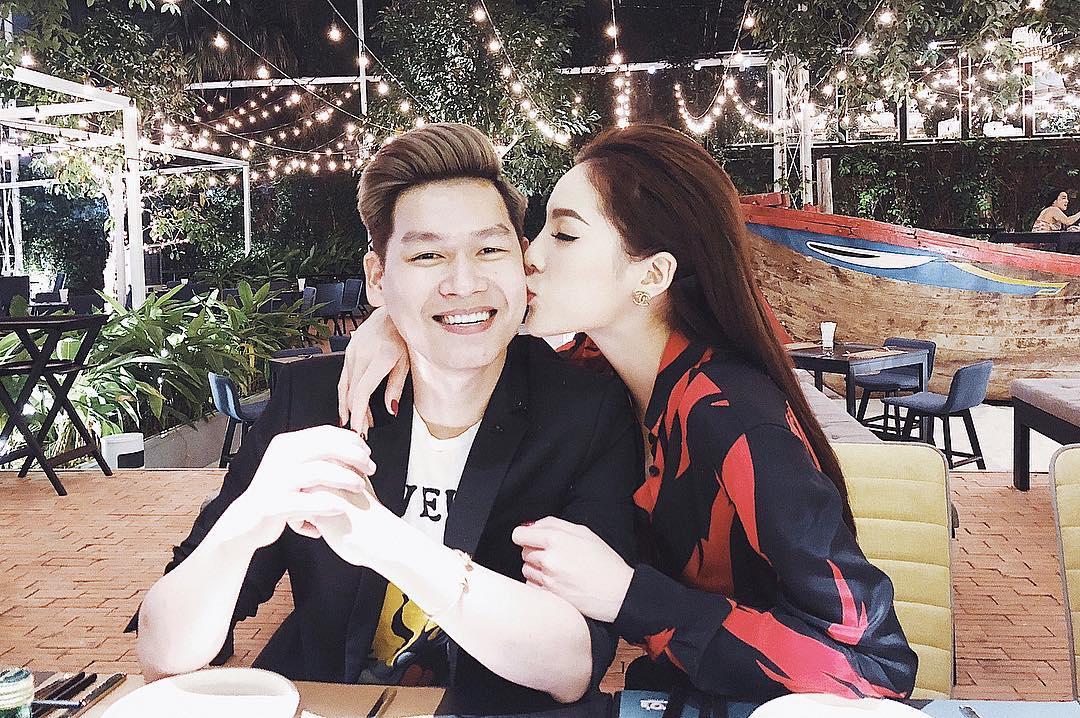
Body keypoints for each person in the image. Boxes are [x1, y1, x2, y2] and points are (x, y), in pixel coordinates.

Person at [338, 124, 919, 701]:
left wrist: (627, 596)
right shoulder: (600, 375)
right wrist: (393, 320)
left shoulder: (733, 417)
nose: (528, 255)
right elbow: (465, 337)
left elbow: (876, 666)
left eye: (564, 235)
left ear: (652, 275)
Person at [134, 123, 641, 713]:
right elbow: (164, 655)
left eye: (489, 250)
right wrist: (246, 521)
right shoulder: (315, 403)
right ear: (378, 278)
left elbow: (574, 666)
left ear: (522, 263)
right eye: (427, 255)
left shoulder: (583, 413)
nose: (464, 282)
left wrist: (384, 540)